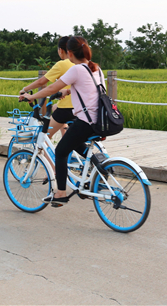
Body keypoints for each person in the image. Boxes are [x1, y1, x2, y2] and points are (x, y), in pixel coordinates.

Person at [19, 36, 104, 207]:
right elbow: (88, 91)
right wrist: (67, 92)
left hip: (85, 120)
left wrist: (31, 95)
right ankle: (100, 171)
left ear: (69, 52)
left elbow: (50, 87)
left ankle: (61, 193)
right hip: (99, 119)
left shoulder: (76, 68)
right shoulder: (95, 68)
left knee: (60, 151)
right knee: (76, 144)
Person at [19, 36, 74, 139]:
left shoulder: (61, 64)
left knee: (43, 138)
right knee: (54, 107)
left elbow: (42, 81)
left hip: (67, 108)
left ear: (60, 50)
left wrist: (25, 89)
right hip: (81, 107)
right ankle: (64, 136)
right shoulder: (81, 63)